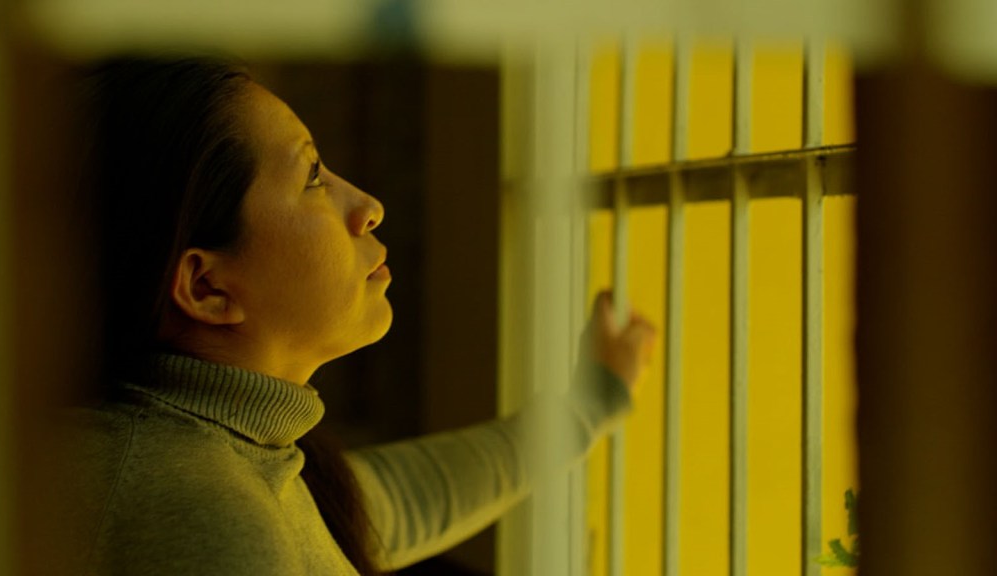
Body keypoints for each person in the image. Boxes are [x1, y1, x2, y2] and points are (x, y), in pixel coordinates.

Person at [53, 56, 656, 575]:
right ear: (207, 287)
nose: (369, 207)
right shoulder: (199, 516)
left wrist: (591, 401)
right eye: (313, 177)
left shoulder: (233, 457)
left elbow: (402, 499)